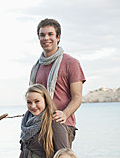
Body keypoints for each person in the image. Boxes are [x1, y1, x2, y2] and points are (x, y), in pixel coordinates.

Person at [30, 18, 86, 148]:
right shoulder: (36, 67)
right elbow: (32, 97)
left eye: (50, 34)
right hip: (39, 126)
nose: (46, 38)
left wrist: (64, 114)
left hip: (62, 124)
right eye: (42, 35)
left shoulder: (71, 63)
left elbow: (77, 97)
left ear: (58, 37)